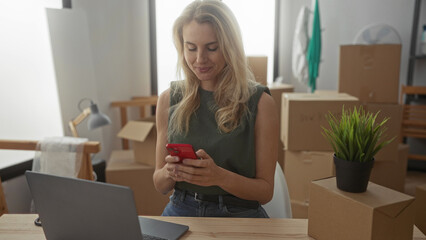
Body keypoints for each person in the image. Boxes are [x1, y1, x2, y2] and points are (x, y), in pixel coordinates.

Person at [153, 0, 278, 218]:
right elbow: (160, 184)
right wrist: (169, 172)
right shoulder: (168, 99)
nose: (200, 59)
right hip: (181, 207)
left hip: (239, 213)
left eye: (212, 48)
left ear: (230, 47)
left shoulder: (260, 103)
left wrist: (219, 177)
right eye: (191, 48)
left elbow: (266, 192)